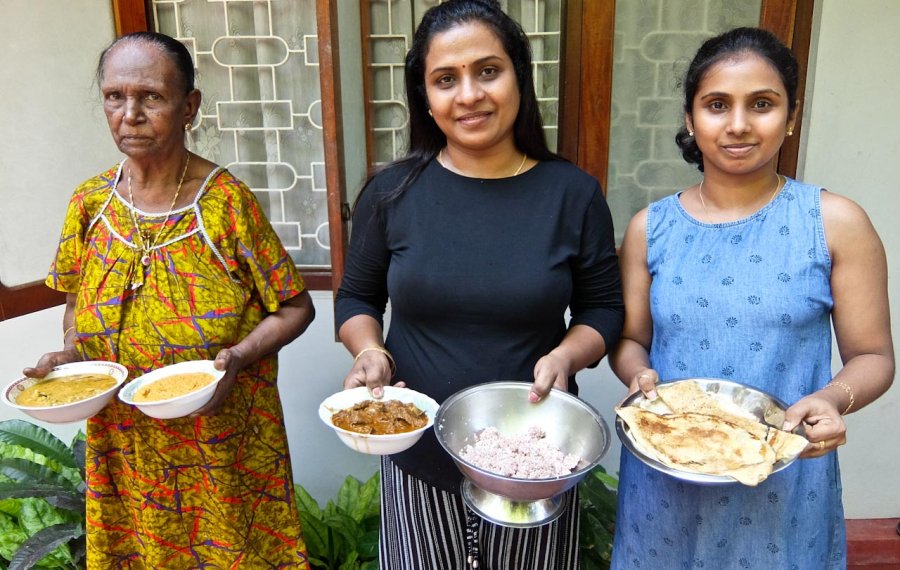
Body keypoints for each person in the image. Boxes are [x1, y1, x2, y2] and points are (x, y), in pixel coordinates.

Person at [334, 1, 624, 568]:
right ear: (425, 96)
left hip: (535, 458)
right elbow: (357, 298)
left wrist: (568, 354)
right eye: (446, 79)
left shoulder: (573, 194)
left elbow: (604, 310)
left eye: (487, 71)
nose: (468, 95)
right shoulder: (392, 193)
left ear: (519, 75)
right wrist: (369, 349)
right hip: (420, 453)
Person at [23, 32, 315, 568]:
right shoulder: (89, 203)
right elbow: (74, 304)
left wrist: (238, 358)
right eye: (115, 96)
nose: (129, 114)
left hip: (220, 444)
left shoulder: (226, 203)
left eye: (151, 97)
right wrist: (71, 353)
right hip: (125, 443)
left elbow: (296, 308)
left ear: (189, 107)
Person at [610, 27, 894, 569]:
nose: (738, 124)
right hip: (669, 475)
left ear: (790, 117)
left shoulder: (834, 223)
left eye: (761, 104)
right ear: (691, 120)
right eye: (717, 105)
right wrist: (638, 375)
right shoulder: (651, 228)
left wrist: (833, 398)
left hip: (782, 481)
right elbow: (630, 339)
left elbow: (875, 357)